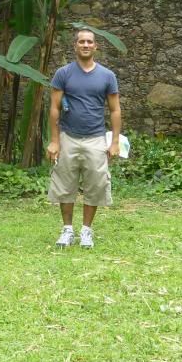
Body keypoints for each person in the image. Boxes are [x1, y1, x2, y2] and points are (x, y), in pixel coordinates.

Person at [46, 28, 121, 249]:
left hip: (96, 139)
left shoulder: (107, 76)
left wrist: (115, 142)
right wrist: (54, 141)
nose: (86, 45)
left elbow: (115, 110)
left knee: (96, 185)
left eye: (89, 42)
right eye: (82, 42)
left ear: (95, 46)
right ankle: (67, 230)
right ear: (75, 46)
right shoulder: (63, 74)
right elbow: (54, 108)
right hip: (68, 137)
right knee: (65, 184)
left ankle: (86, 230)